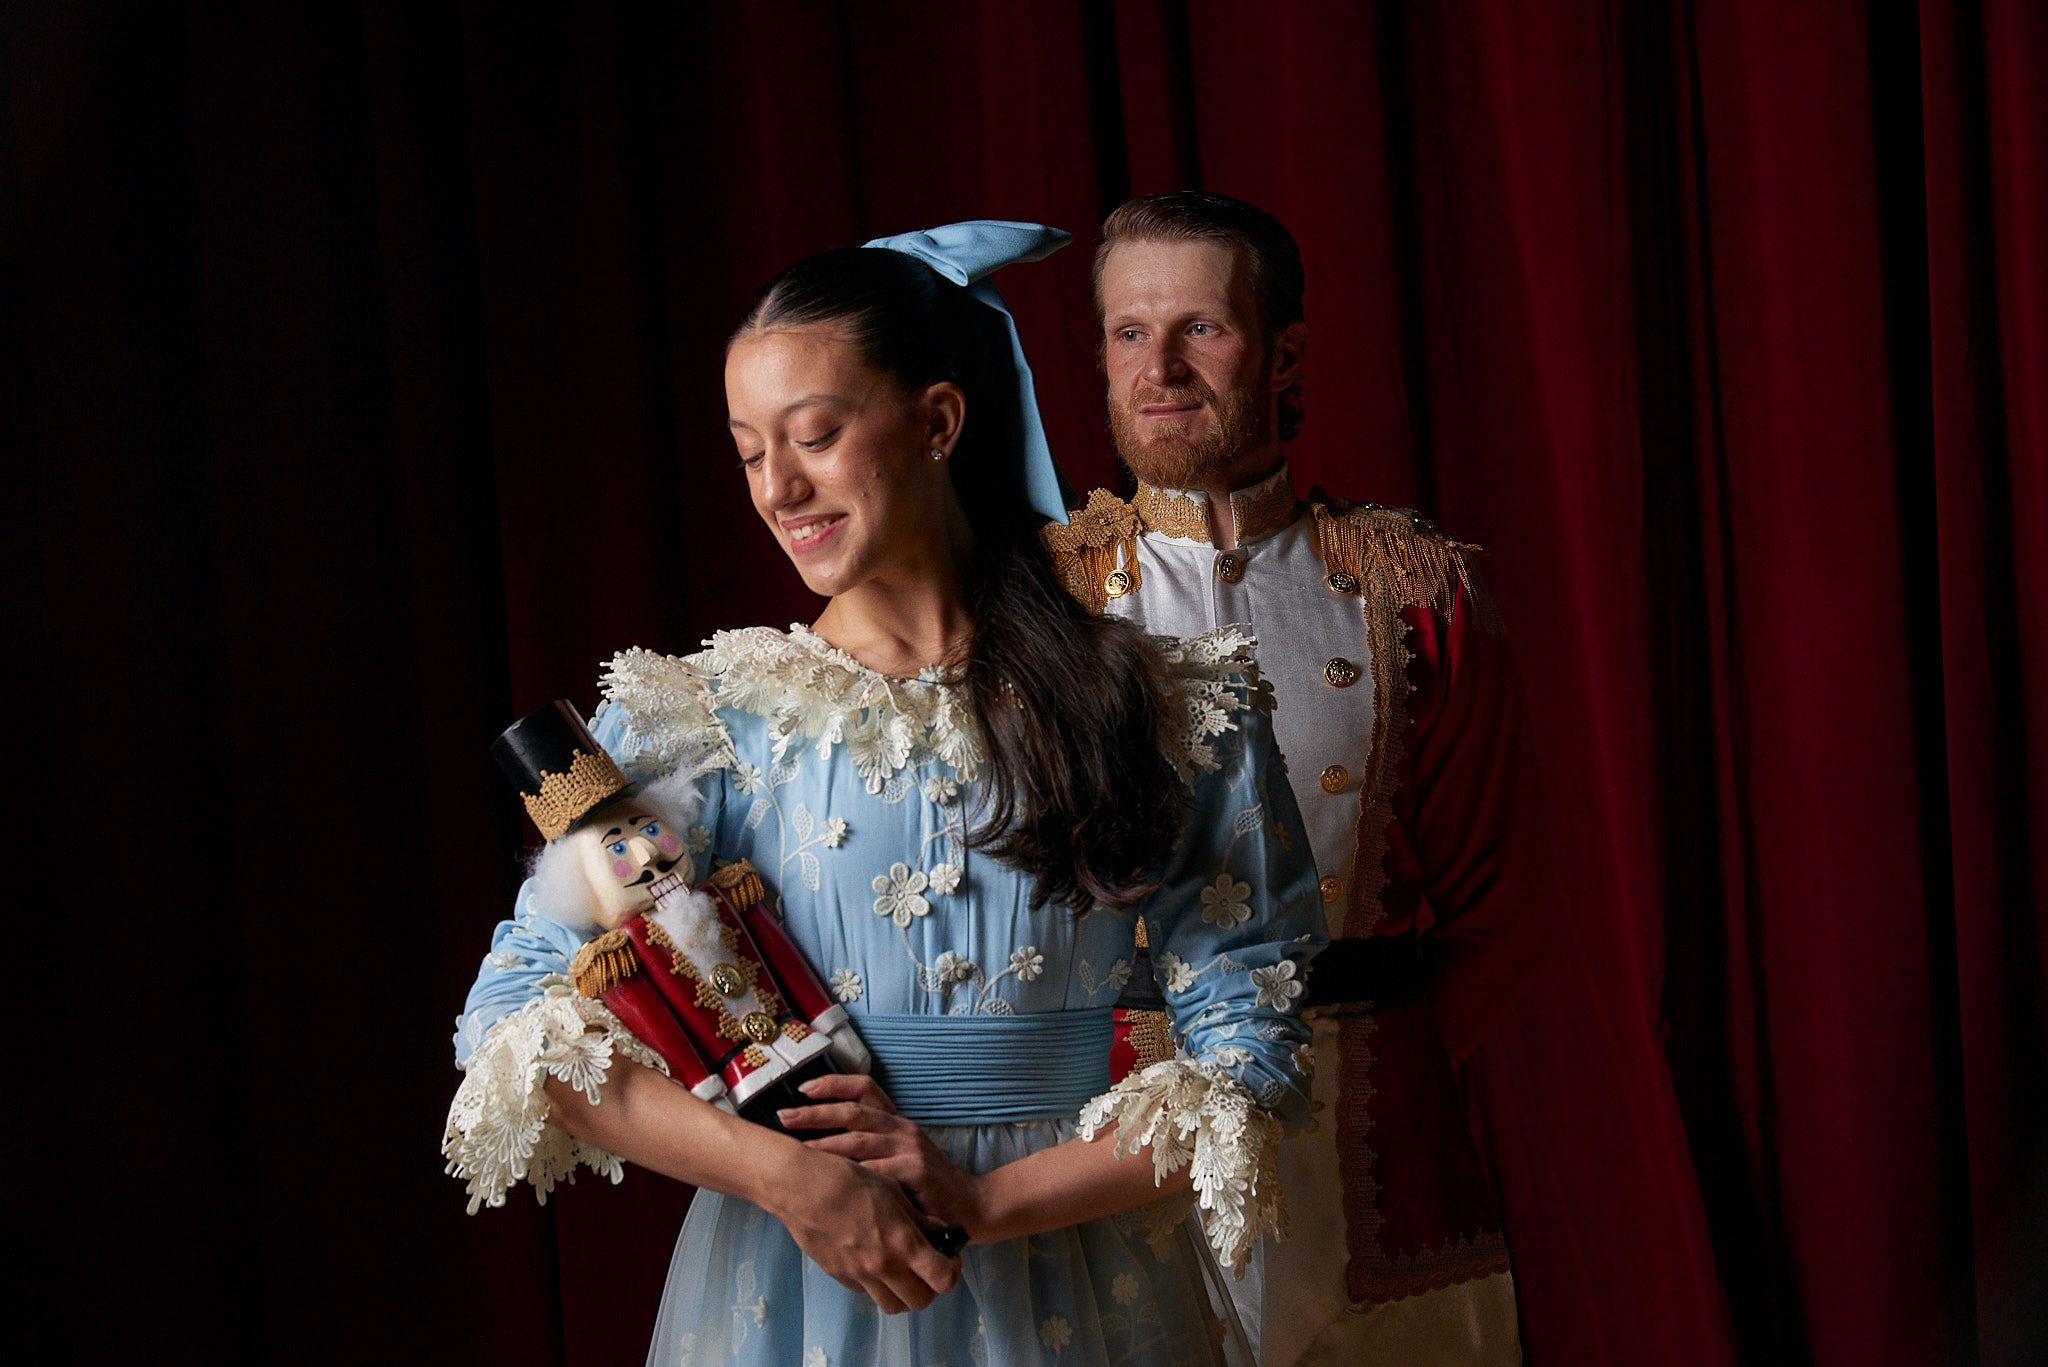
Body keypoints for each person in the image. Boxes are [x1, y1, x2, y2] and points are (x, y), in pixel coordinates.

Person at [443, 220, 1326, 1366]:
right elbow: (517, 1021)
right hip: (801, 1279)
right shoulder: (702, 722)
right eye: (749, 452)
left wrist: (987, 1200)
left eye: (813, 435)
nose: (779, 487)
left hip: (1076, 1272)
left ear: (938, 420)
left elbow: (1253, 1051)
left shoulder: (1166, 706)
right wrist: (787, 1176)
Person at [1045, 192, 1551, 1366]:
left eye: (1200, 327)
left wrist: (1379, 1074)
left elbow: (1499, 907)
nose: (1159, 368)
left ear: (1282, 352)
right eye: (1128, 332)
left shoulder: (1411, 583)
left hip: (1374, 1153)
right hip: (1121, 1151)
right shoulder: (1042, 601)